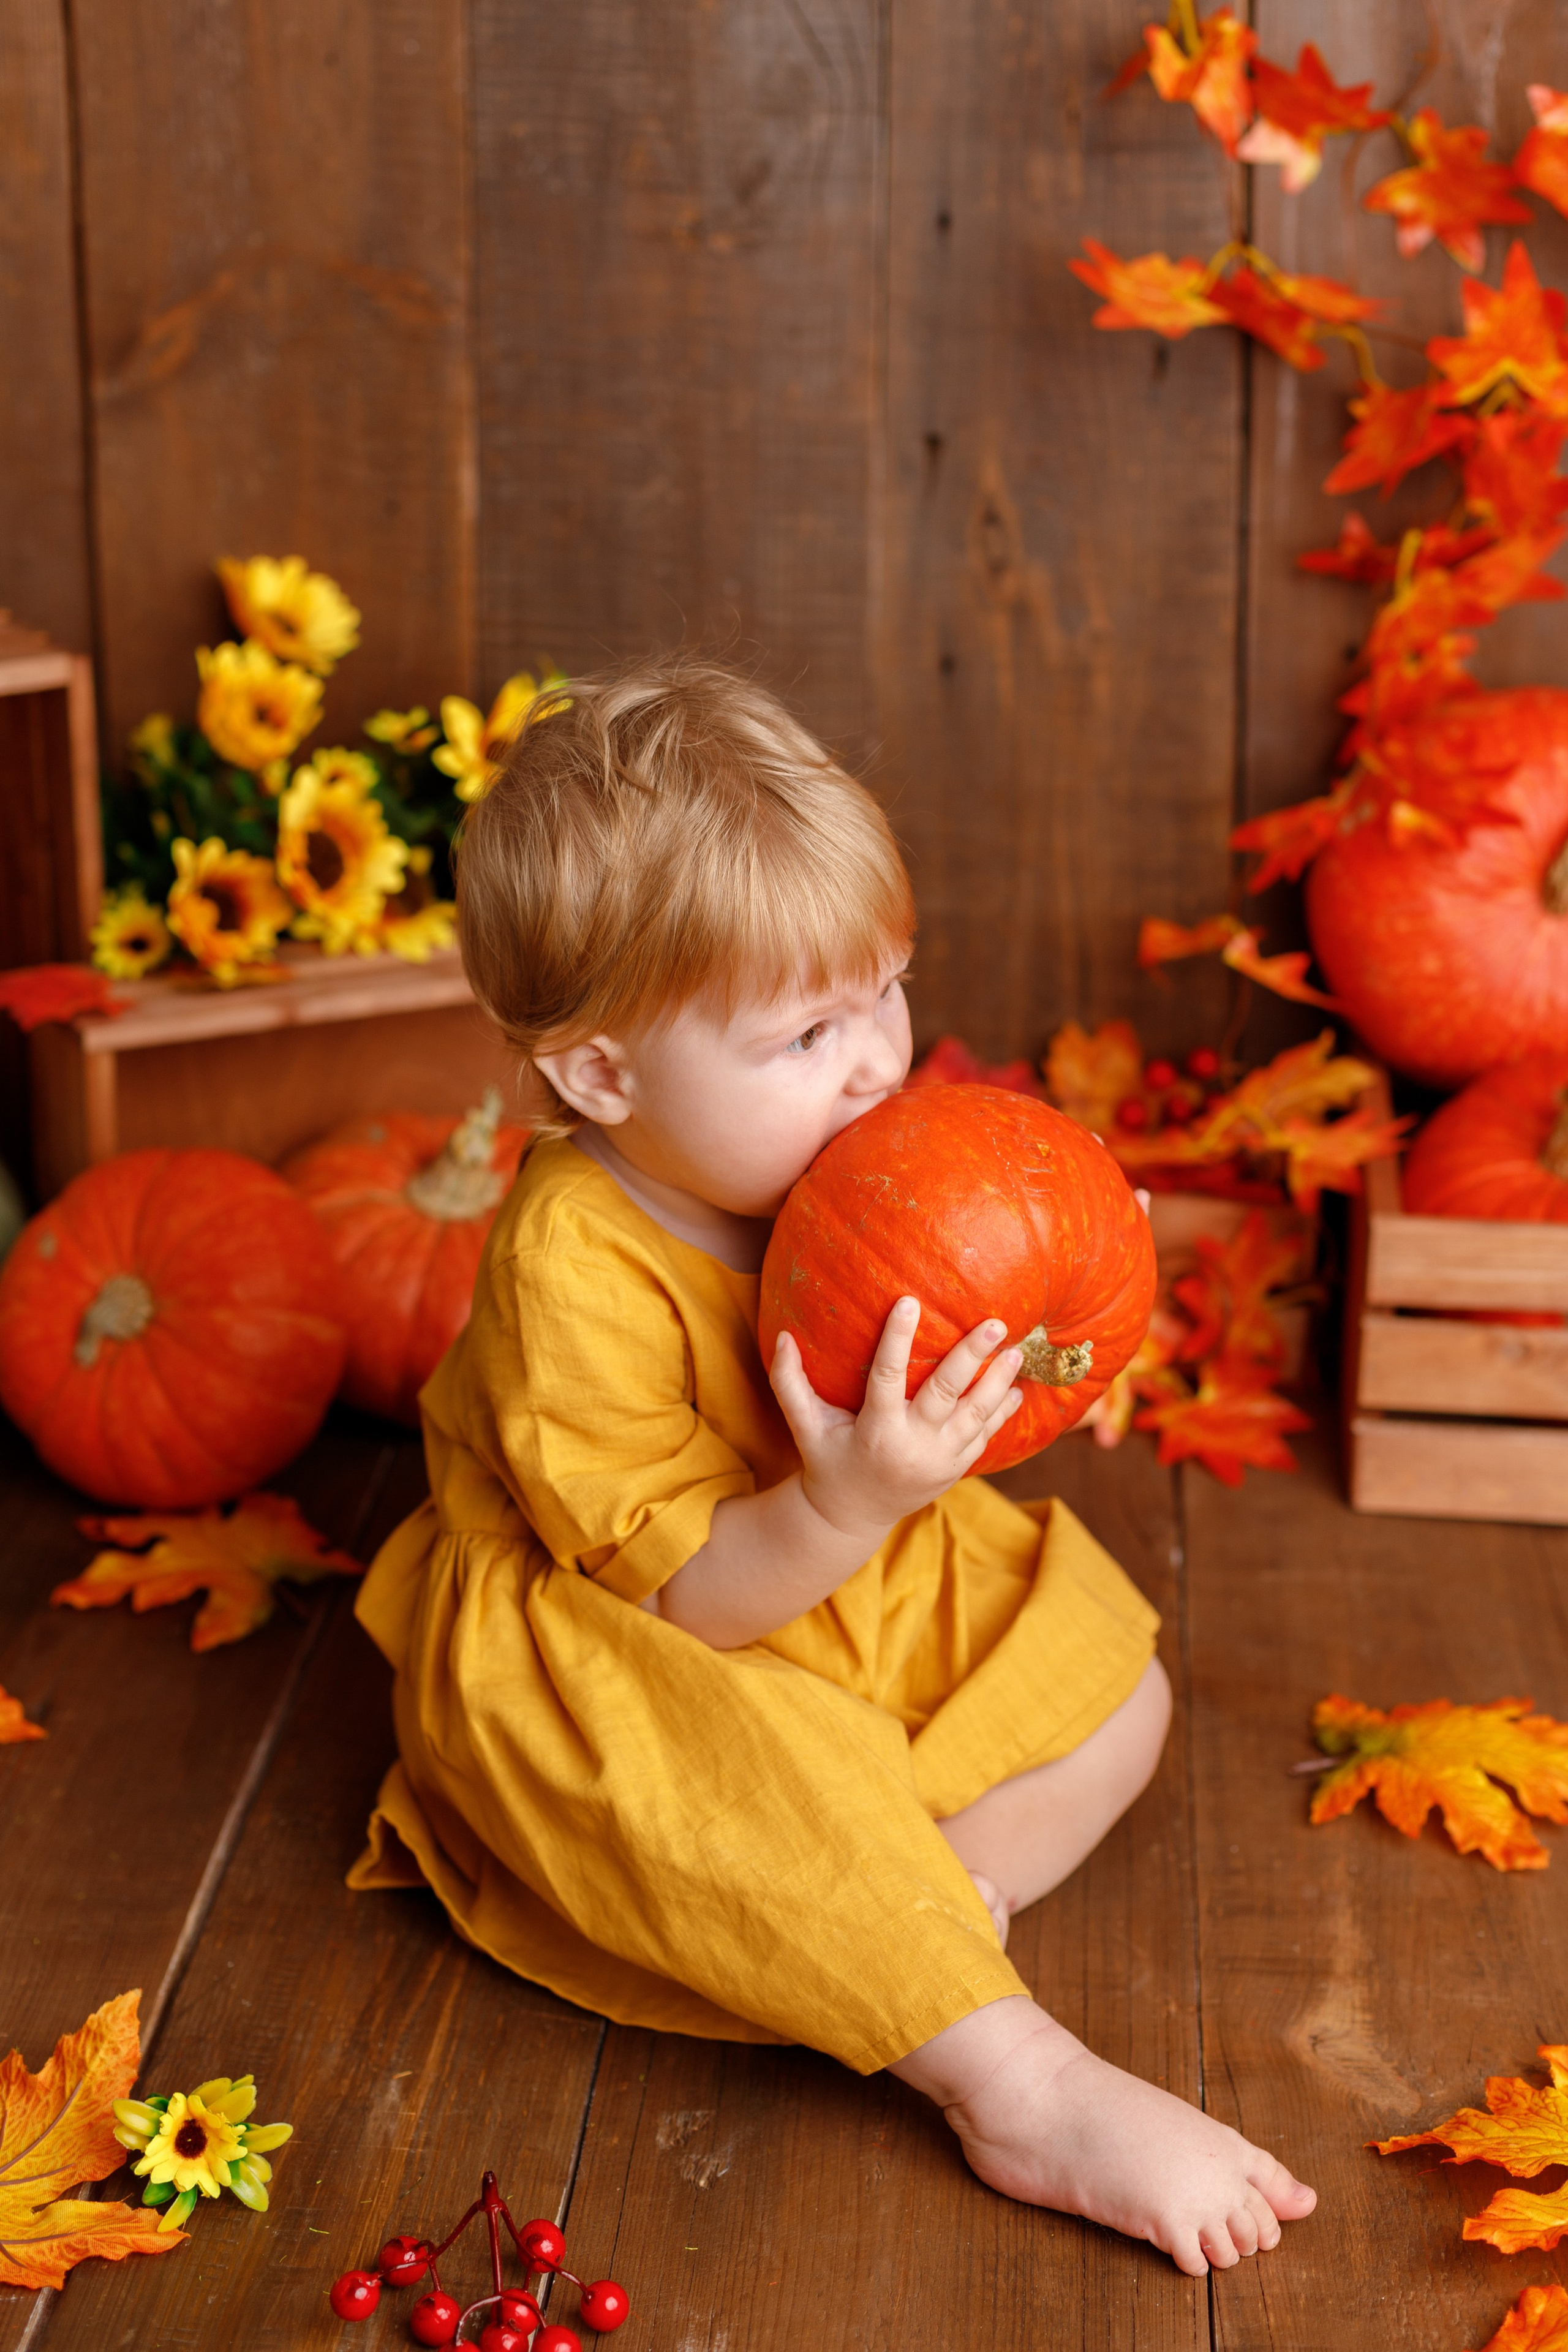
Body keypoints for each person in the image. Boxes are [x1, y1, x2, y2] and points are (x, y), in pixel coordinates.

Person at [350, 655, 1315, 2276]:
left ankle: (930, 1918)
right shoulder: (570, 1269)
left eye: (887, 990)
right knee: (708, 1791)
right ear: (602, 1076)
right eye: (809, 1028)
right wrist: (859, 1497)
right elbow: (695, 1603)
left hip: (852, 1544)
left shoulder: (830, 1148)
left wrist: (1061, 1282)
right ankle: (1021, 2082)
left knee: (1118, 1685)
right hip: (654, 1627)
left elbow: (974, 1343)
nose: (879, 1061)